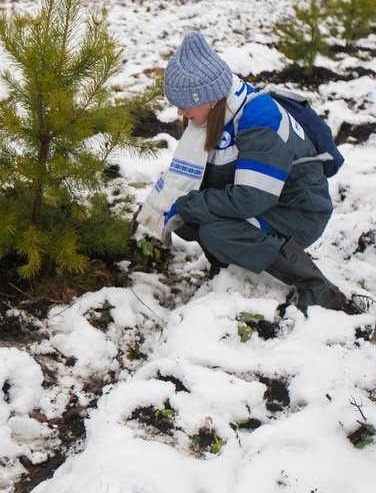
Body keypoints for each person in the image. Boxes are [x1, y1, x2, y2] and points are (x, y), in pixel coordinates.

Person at [135, 32, 351, 312]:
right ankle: (231, 269)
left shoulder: (259, 118)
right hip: (271, 201)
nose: (179, 112)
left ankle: (314, 285)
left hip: (299, 211)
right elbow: (203, 181)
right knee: (187, 220)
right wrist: (168, 204)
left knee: (215, 230)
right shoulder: (218, 115)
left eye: (185, 103)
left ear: (209, 97)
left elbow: (252, 198)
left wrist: (191, 204)